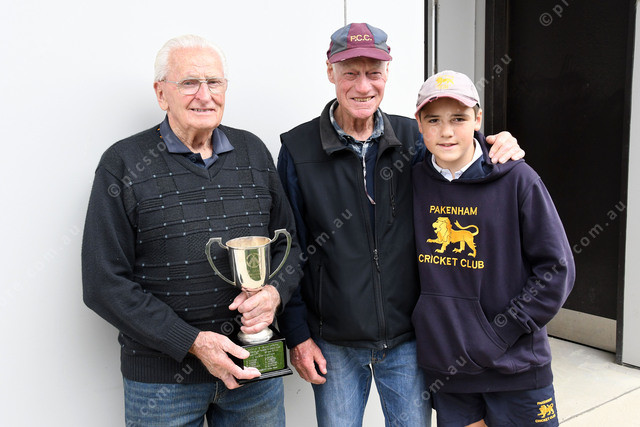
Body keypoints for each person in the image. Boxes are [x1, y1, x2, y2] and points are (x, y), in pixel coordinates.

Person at [276, 23, 524, 426]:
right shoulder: (297, 149)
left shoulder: (415, 138)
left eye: (373, 72)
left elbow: (462, 158)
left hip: (409, 338)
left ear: (387, 73)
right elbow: (289, 250)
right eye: (350, 73)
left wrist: (496, 143)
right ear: (330, 71)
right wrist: (298, 336)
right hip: (334, 342)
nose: (363, 86)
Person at [81, 34, 302, 426]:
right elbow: (104, 283)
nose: (204, 95)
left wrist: (274, 294)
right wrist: (193, 343)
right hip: (163, 386)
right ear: (161, 93)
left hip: (254, 372)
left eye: (214, 82)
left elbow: (291, 247)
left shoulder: (253, 152)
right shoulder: (123, 163)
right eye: (189, 83)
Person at [411, 70, 575, 427]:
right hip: (449, 370)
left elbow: (556, 269)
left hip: (516, 368)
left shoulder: (518, 179)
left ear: (478, 119)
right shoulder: (412, 180)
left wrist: (501, 332)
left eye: (459, 118)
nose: (447, 131)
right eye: (434, 120)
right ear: (418, 124)